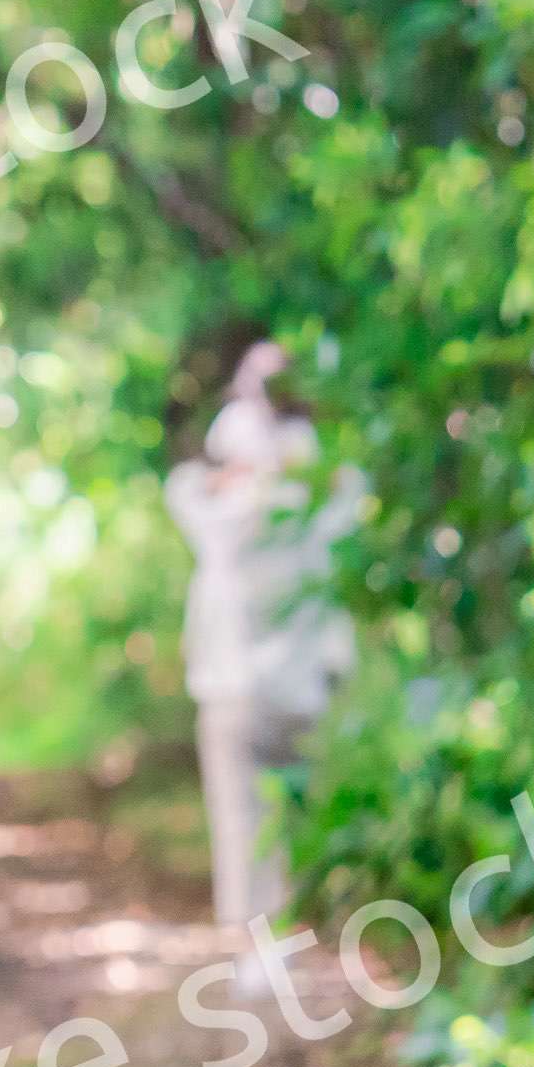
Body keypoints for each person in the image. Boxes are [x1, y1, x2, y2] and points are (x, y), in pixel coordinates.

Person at [163, 342, 358, 946]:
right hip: (307, 683)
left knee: (241, 820)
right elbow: (352, 499)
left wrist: (235, 474)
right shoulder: (316, 499)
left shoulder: (228, 509)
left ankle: (255, 945)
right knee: (297, 818)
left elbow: (184, 488)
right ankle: (294, 935)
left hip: (235, 686)